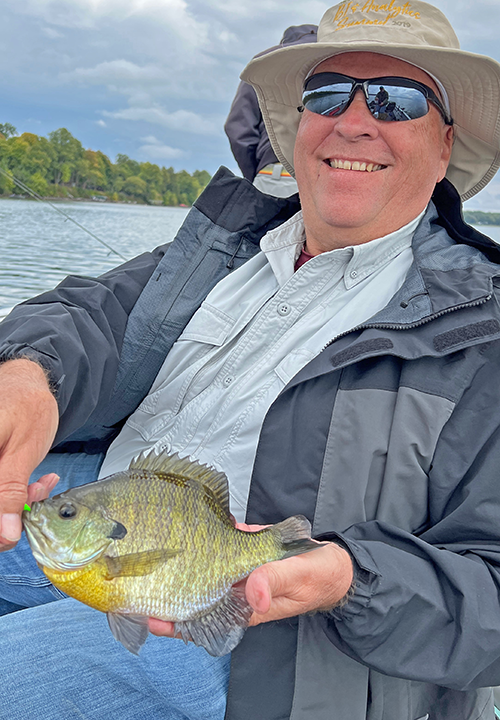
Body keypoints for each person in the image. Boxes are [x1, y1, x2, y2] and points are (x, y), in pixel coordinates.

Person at [1, 1, 500, 718]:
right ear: (300, 125)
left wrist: (348, 579)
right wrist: (26, 374)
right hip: (104, 521)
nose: (354, 121)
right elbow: (91, 314)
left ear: (446, 144)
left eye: (397, 99)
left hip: (244, 638)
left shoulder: (482, 334)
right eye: (328, 94)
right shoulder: (225, 247)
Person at [224, 24, 317, 198]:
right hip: (322, 175)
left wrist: (256, 171)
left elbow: (238, 130)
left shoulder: (264, 63)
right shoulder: (332, 61)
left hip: (273, 175)